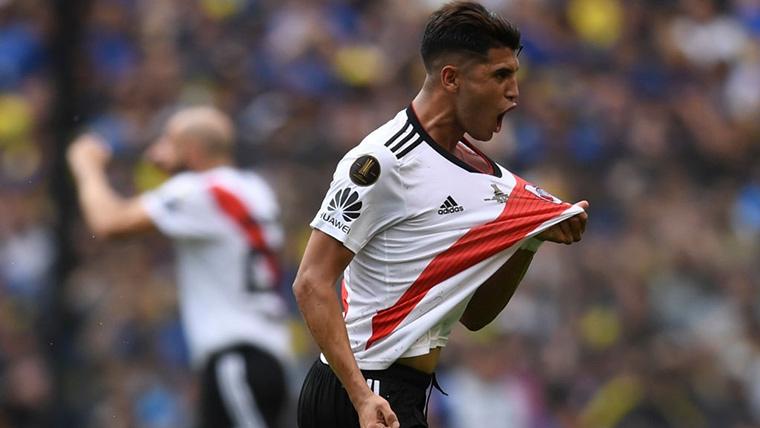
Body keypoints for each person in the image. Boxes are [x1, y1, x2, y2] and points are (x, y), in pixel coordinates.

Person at [292, 2, 589, 428]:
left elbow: (476, 316)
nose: (514, 93)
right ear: (451, 78)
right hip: (363, 389)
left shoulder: (486, 180)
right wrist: (360, 396)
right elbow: (310, 282)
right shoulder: (383, 161)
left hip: (397, 392)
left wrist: (528, 241)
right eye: (500, 75)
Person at [66, 106, 292, 428]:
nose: (154, 153)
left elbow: (109, 223)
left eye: (166, 142)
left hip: (235, 358)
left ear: (193, 150)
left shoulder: (200, 190)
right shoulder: (255, 189)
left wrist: (87, 167)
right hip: (265, 355)